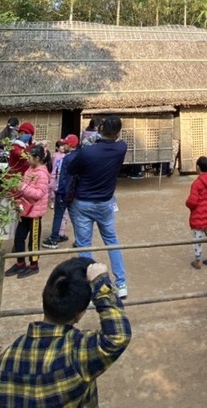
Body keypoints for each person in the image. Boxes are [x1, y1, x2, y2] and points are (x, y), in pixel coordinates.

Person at [0, 258, 131, 408]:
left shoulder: (6, 359)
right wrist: (100, 283)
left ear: (45, 295)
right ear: (80, 314)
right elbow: (117, 336)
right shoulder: (77, 353)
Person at [65, 116, 129, 298]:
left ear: (100, 129)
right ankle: (121, 283)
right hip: (105, 203)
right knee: (111, 241)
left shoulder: (88, 152)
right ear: (118, 132)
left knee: (84, 245)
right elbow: (117, 140)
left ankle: (91, 288)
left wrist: (87, 143)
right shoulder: (121, 148)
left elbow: (71, 167)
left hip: (83, 203)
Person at [7, 145, 52, 278]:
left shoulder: (42, 174)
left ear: (37, 158)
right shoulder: (30, 169)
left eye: (29, 157)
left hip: (35, 213)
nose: (27, 159)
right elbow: (25, 185)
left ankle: (33, 265)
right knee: (19, 237)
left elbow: (38, 194)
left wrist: (22, 186)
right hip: (25, 209)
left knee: (34, 240)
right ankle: (20, 263)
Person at [43, 135, 79, 250]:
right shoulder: (80, 156)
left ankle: (54, 239)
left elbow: (62, 177)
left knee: (58, 215)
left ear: (71, 145)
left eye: (66, 143)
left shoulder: (66, 158)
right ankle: (80, 240)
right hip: (74, 193)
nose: (64, 145)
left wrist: (60, 192)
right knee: (74, 217)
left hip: (64, 192)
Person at [185, 155, 207, 268]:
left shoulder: (197, 183)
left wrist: (187, 204)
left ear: (198, 167)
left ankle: (198, 260)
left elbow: (192, 201)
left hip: (198, 215)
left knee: (197, 238)